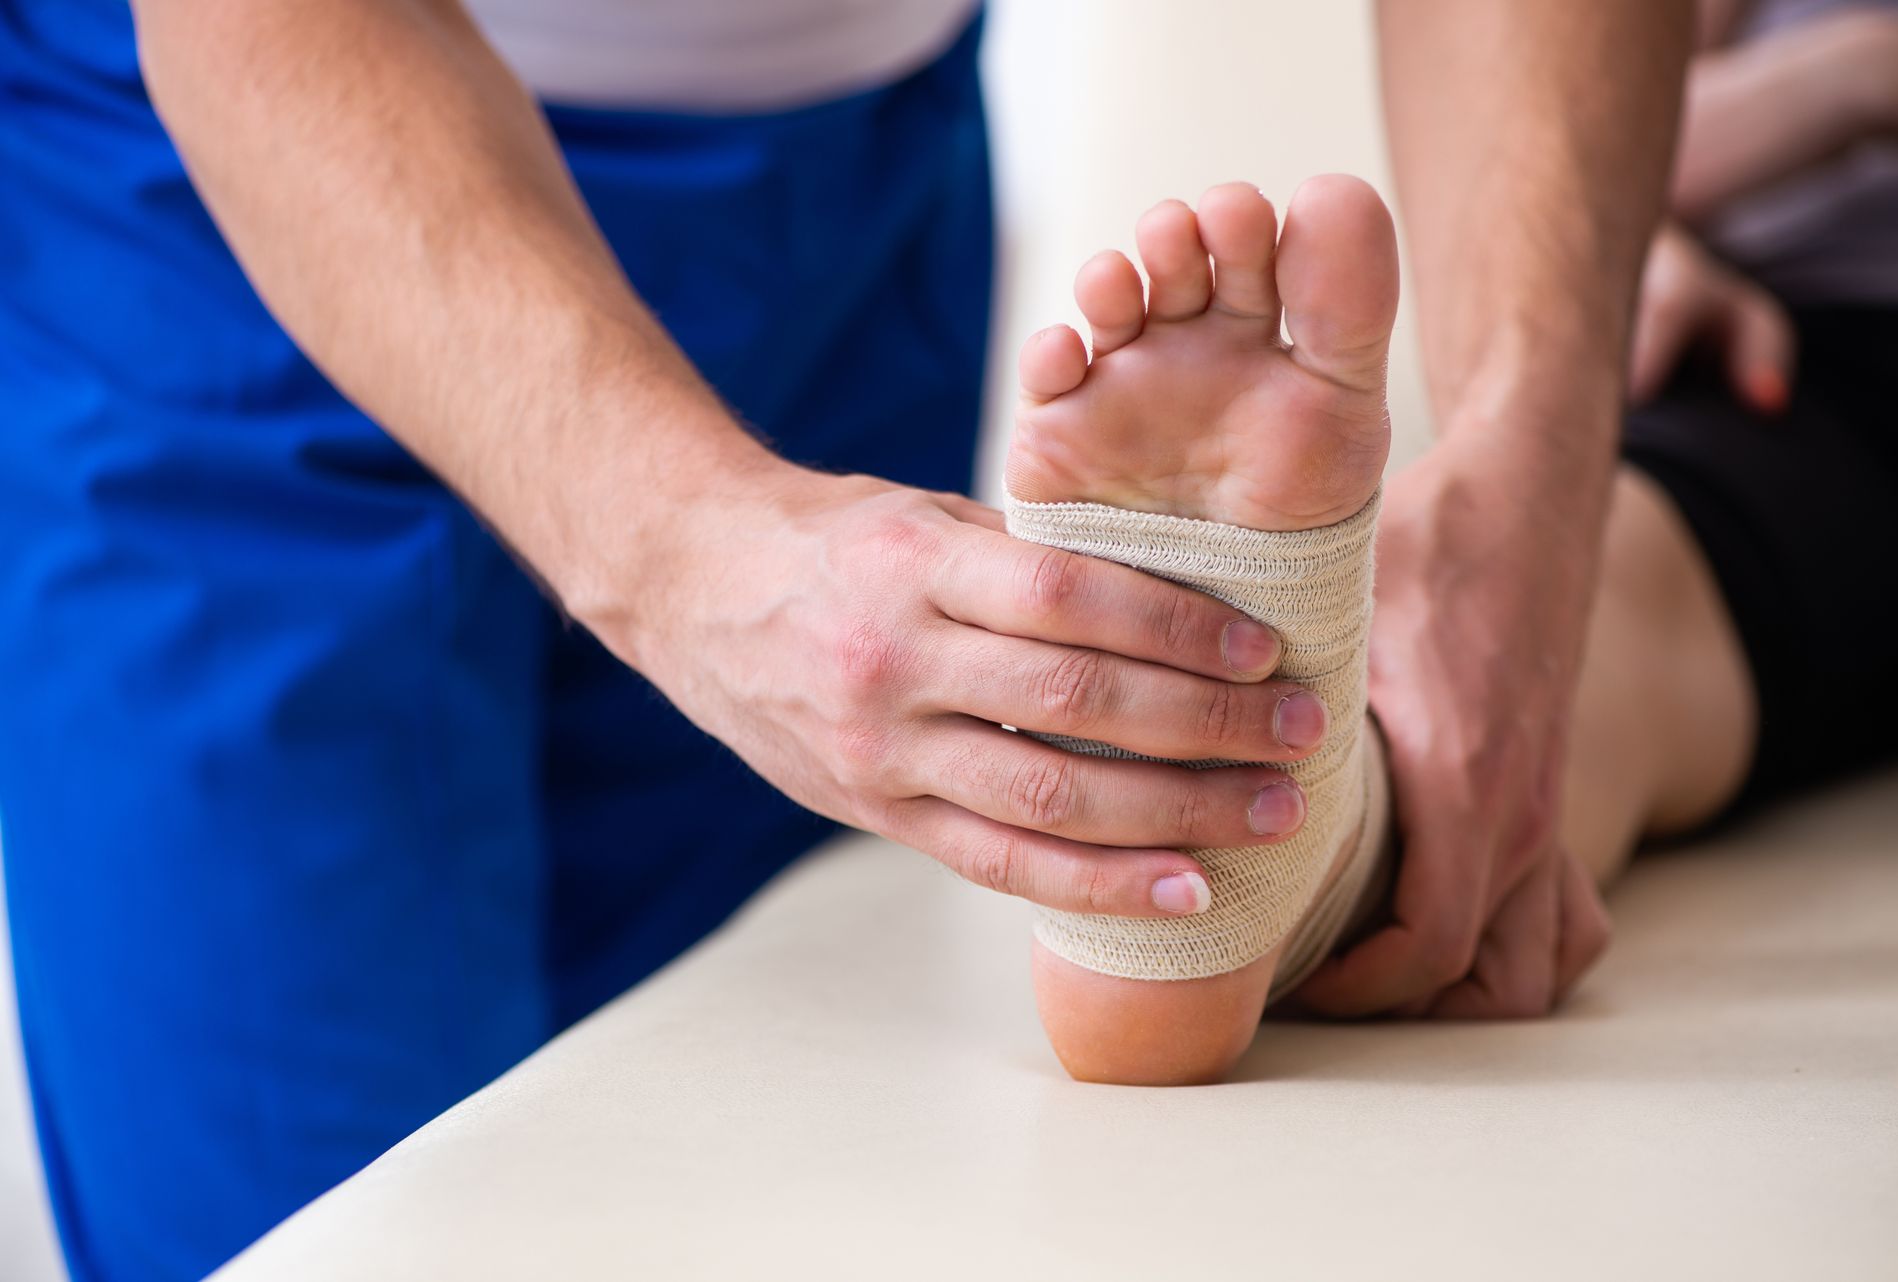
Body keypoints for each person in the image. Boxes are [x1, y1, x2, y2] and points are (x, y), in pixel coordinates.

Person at [0, 2, 1693, 1278]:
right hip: (231, 159)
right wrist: (677, 544)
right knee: (333, 1224)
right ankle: (1215, 873)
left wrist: (1534, 474)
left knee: (749, 1179)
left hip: (842, 156)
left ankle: (1207, 881)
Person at [1006, 0, 1898, 1083]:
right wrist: (1676, 224)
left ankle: (1272, 865)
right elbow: (1614, 112)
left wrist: (1874, 72)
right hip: (1803, 336)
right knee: (1595, 610)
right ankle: (1316, 841)